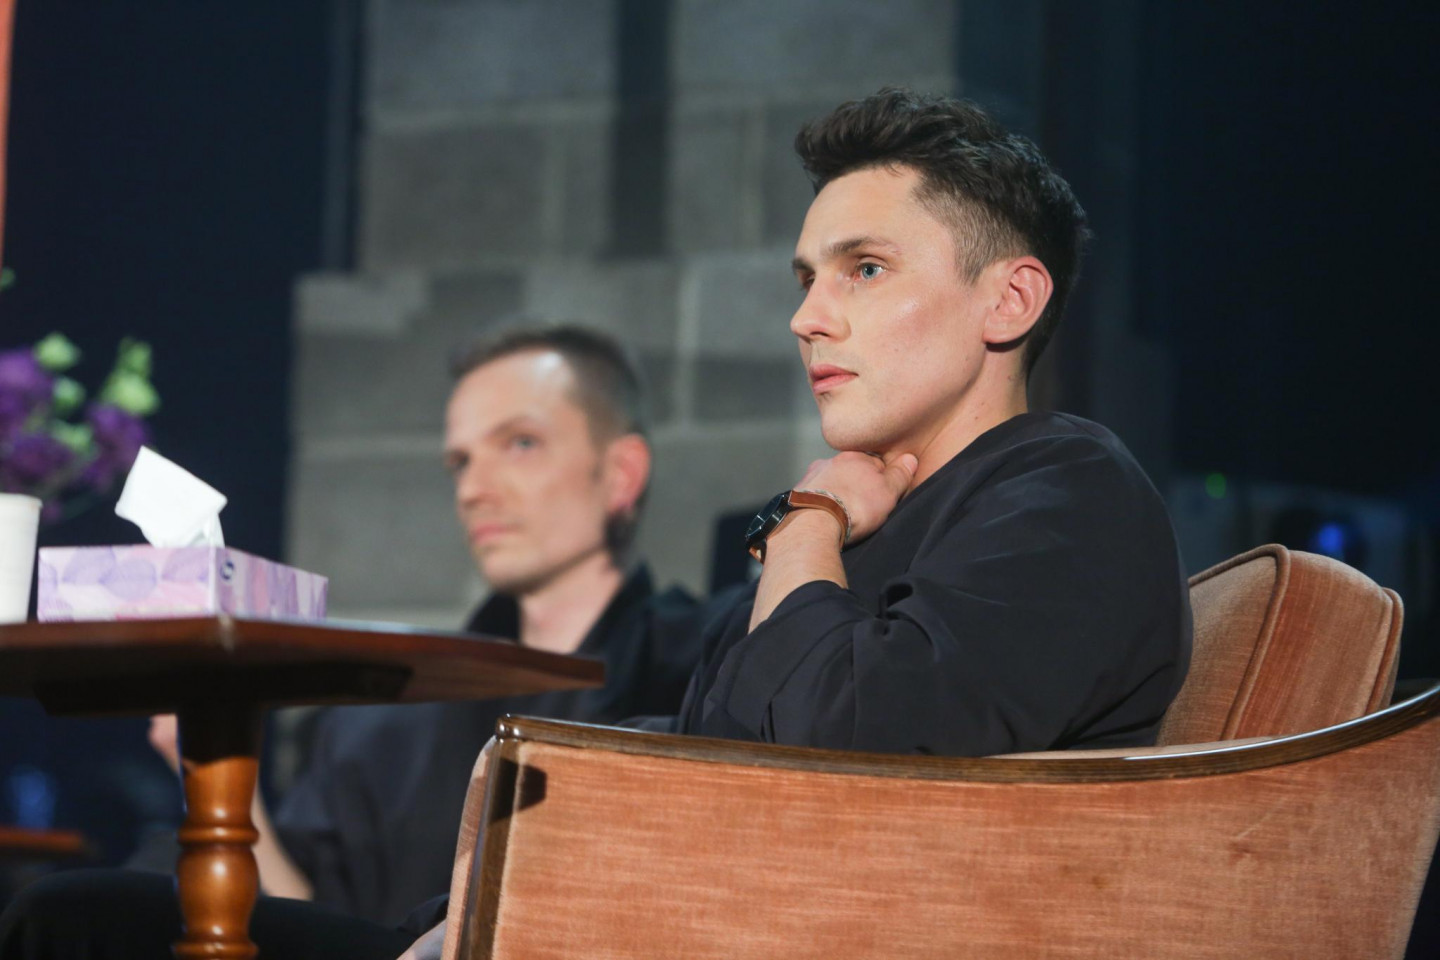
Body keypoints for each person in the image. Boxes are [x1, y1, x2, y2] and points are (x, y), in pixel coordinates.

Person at [0, 88, 1191, 960]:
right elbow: (712, 742)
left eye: (864, 269)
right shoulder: (887, 525)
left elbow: (852, 743)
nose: (808, 318)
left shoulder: (1065, 488)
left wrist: (810, 516)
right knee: (82, 916)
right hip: (565, 925)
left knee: (83, 925)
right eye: (805, 278)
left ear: (1009, 298)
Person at [0, 326, 708, 957]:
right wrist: (208, 764)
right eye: (460, 462)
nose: (474, 488)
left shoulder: (694, 670)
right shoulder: (388, 712)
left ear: (621, 474)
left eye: (520, 443)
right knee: (70, 913)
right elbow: (309, 916)